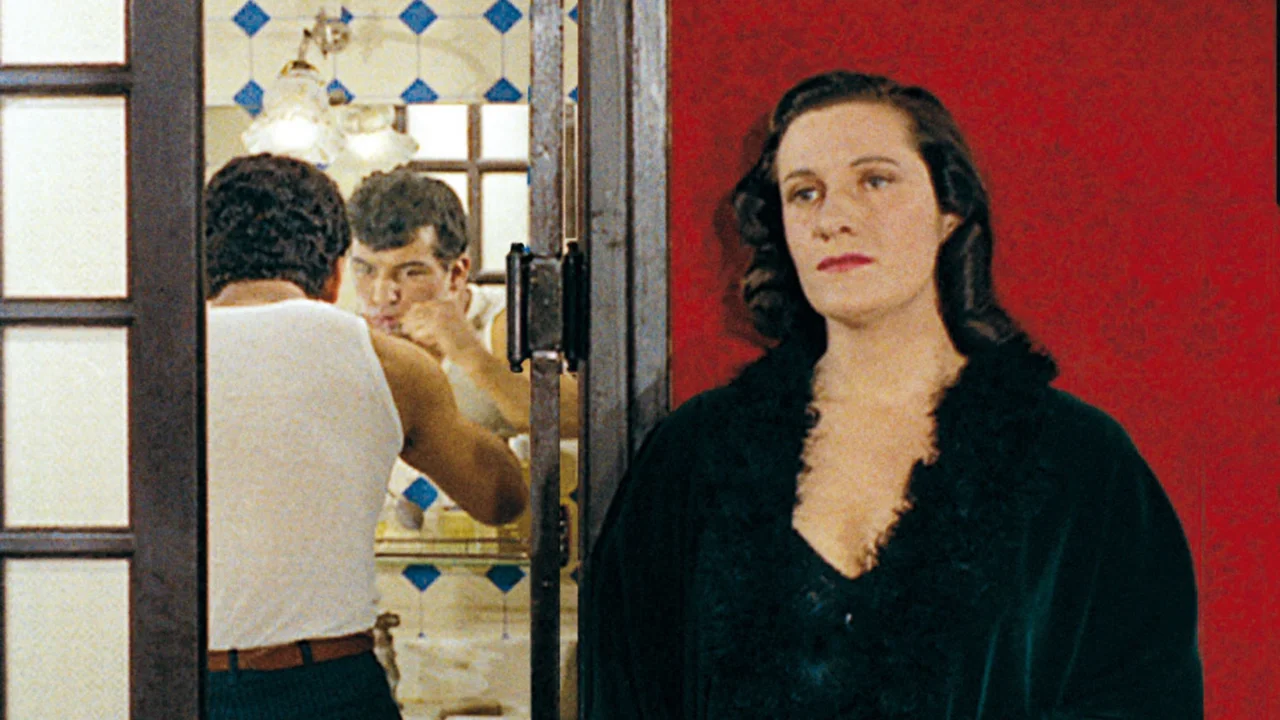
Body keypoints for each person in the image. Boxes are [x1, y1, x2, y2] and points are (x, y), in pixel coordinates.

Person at [583, 71, 1203, 719]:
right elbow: (624, 691)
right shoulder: (694, 457)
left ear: (948, 210)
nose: (834, 218)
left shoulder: (1082, 464)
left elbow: (1144, 698)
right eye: (804, 193)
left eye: (875, 180)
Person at [204, 153, 526, 720]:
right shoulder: (389, 364)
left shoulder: (143, 354)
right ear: (335, 275)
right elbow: (502, 499)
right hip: (329, 681)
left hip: (175, 678)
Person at [346, 168, 580, 441]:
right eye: (365, 270)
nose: (382, 296)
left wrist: (470, 353)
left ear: (457, 274)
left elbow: (577, 419)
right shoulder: (349, 335)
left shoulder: (503, 323)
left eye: (411, 273)